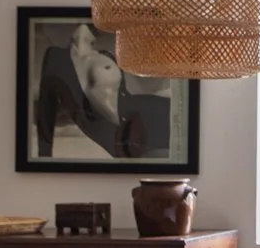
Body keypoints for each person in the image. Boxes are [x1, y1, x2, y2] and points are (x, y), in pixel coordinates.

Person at [35, 24, 173, 159]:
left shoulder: (106, 55)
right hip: (122, 133)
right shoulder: (56, 57)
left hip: (145, 115)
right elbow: (45, 110)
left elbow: (122, 95)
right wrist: (43, 157)